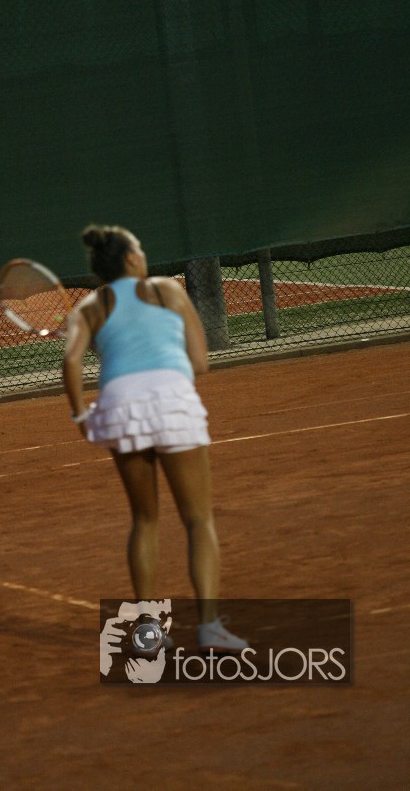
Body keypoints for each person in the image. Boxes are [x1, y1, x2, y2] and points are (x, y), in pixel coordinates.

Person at [63, 224, 246, 651]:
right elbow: (200, 363)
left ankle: (148, 632)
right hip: (171, 400)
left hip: (120, 407)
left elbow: (70, 362)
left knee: (144, 519)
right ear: (131, 259)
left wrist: (81, 416)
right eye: (140, 249)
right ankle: (209, 627)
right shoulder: (168, 290)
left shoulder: (89, 307)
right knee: (198, 520)